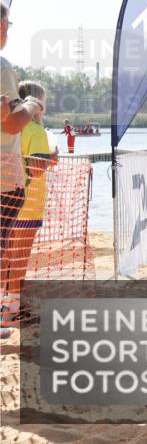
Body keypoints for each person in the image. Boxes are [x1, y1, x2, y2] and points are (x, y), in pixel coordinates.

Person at [1, 1, 43, 339]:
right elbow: (12, 124)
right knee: (5, 252)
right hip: (5, 178)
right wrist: (31, 105)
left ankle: (9, 308)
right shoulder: (2, 67)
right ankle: (7, 311)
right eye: (8, 25)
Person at [1, 81, 57, 328]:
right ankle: (11, 310)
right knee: (19, 258)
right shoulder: (35, 131)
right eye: (43, 101)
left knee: (6, 256)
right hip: (28, 203)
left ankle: (9, 305)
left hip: (6, 198)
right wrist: (51, 158)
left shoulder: (7, 129)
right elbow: (35, 169)